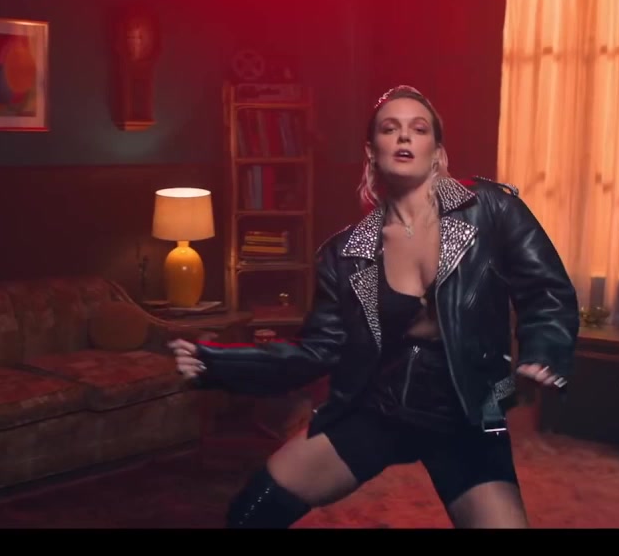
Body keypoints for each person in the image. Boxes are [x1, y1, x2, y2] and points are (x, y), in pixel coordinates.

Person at [170, 85, 579, 528]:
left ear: (437, 152)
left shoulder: (492, 210)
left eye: (418, 129)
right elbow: (317, 351)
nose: (404, 137)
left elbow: (547, 289)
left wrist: (543, 351)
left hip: (466, 417)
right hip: (376, 410)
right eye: (390, 129)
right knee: (250, 513)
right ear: (372, 152)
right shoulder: (345, 253)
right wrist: (218, 363)